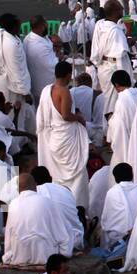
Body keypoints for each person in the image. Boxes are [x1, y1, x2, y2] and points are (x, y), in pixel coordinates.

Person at [36, 61, 91, 210]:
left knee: (58, 174)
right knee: (77, 173)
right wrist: (79, 118)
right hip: (65, 137)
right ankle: (76, 205)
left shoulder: (47, 90)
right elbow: (65, 115)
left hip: (55, 138)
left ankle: (58, 203)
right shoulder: (63, 91)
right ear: (68, 75)